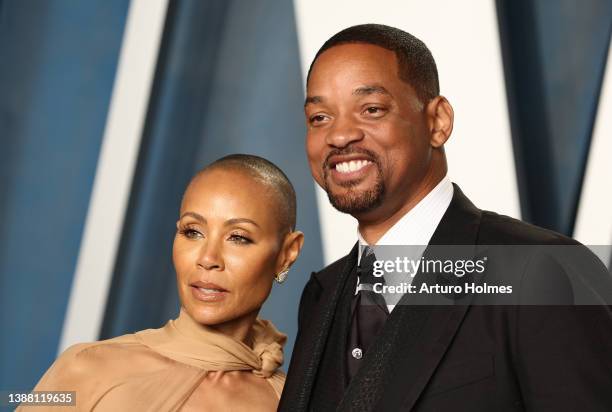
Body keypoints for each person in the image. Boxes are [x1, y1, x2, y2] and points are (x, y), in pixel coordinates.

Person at [279, 24, 612, 411]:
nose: (339, 136)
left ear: (438, 121)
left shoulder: (543, 270)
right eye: (319, 117)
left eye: (371, 109)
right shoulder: (322, 293)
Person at [21, 154, 304, 411]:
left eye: (238, 237)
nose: (208, 258)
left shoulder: (291, 402)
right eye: (192, 232)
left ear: (286, 254)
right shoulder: (83, 366)